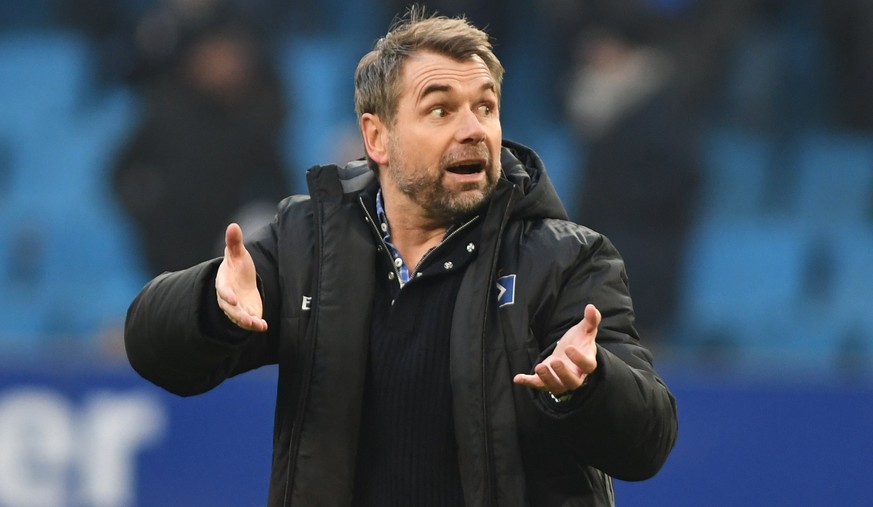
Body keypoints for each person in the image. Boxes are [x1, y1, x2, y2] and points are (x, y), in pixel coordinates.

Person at [123, 8, 678, 506]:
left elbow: (648, 444)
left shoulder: (565, 260)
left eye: (485, 107)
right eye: (440, 110)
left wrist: (590, 385)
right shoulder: (309, 244)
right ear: (377, 137)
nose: (472, 130)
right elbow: (153, 349)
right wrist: (210, 304)